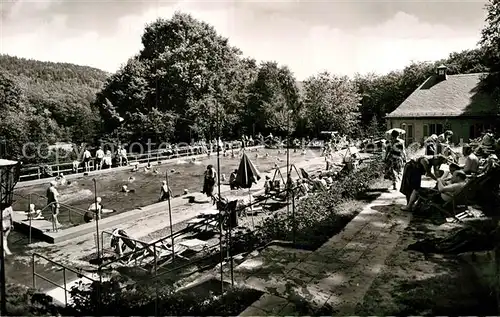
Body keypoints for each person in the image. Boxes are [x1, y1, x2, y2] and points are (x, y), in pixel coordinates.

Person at [402, 170, 467, 212]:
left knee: (417, 190)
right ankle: (417, 207)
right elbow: (450, 187)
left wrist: (439, 181)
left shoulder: (457, 185)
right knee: (428, 190)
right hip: (451, 199)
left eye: (453, 176)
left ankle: (409, 207)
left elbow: (442, 189)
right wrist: (446, 182)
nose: (452, 177)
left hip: (441, 199)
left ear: (458, 177)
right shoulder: (464, 184)